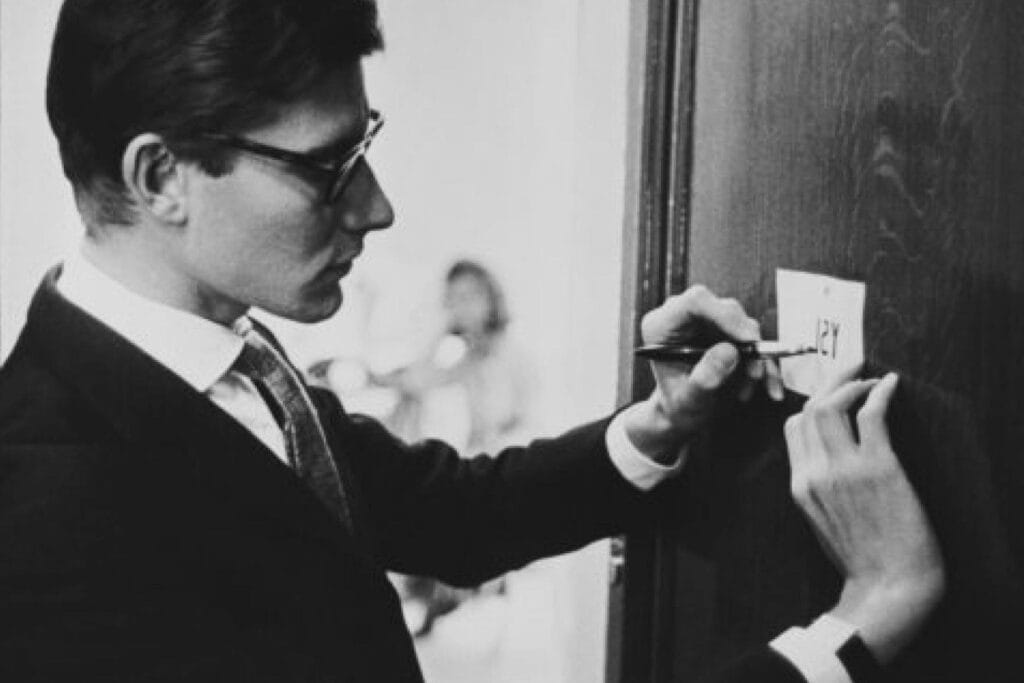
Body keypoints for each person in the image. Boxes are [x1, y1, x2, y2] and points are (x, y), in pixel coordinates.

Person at [0, 1, 943, 681]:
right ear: (161, 176)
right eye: (328, 167)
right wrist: (859, 623)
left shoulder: (227, 359)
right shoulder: (47, 515)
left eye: (364, 150)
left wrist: (662, 420)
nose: (376, 208)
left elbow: (447, 513)